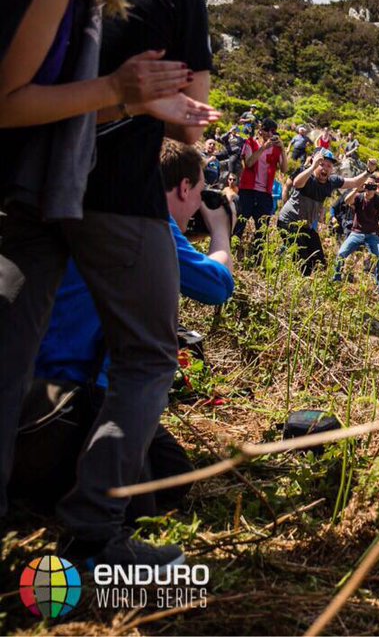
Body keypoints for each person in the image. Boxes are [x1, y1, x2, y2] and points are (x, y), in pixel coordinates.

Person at [0, 0, 221, 568]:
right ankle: (94, 530)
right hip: (57, 194)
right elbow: (9, 103)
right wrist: (122, 92)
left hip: (40, 194)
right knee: (147, 355)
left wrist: (132, 99)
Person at [11, 140, 234, 518]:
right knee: (149, 497)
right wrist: (220, 229)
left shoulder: (97, 207)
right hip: (75, 398)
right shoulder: (146, 221)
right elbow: (216, 285)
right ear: (182, 188)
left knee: (171, 470)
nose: (198, 204)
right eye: (198, 194)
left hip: (31, 384)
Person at [277, 149, 367, 275]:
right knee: (303, 261)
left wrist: (369, 171)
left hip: (305, 226)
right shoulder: (308, 176)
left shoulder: (332, 181)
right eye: (321, 164)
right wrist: (313, 165)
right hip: (288, 222)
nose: (325, 168)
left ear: (332, 169)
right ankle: (292, 280)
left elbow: (355, 182)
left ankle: (306, 283)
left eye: (329, 166)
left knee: (319, 262)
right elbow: (297, 183)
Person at [333, 174, 379, 294]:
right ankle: (336, 278)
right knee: (341, 253)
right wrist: (357, 188)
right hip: (356, 232)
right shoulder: (359, 197)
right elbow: (347, 200)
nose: (369, 189)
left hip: (372, 234)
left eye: (372, 186)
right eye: (368, 185)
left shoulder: (378, 200)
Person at [234, 117, 286, 244]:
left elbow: (284, 169)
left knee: (262, 230)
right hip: (248, 190)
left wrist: (283, 149)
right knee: (239, 225)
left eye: (273, 131)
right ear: (260, 131)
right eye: (267, 130)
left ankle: (257, 259)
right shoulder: (250, 142)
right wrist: (263, 148)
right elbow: (249, 163)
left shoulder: (276, 148)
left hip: (265, 193)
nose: (270, 134)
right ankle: (233, 252)